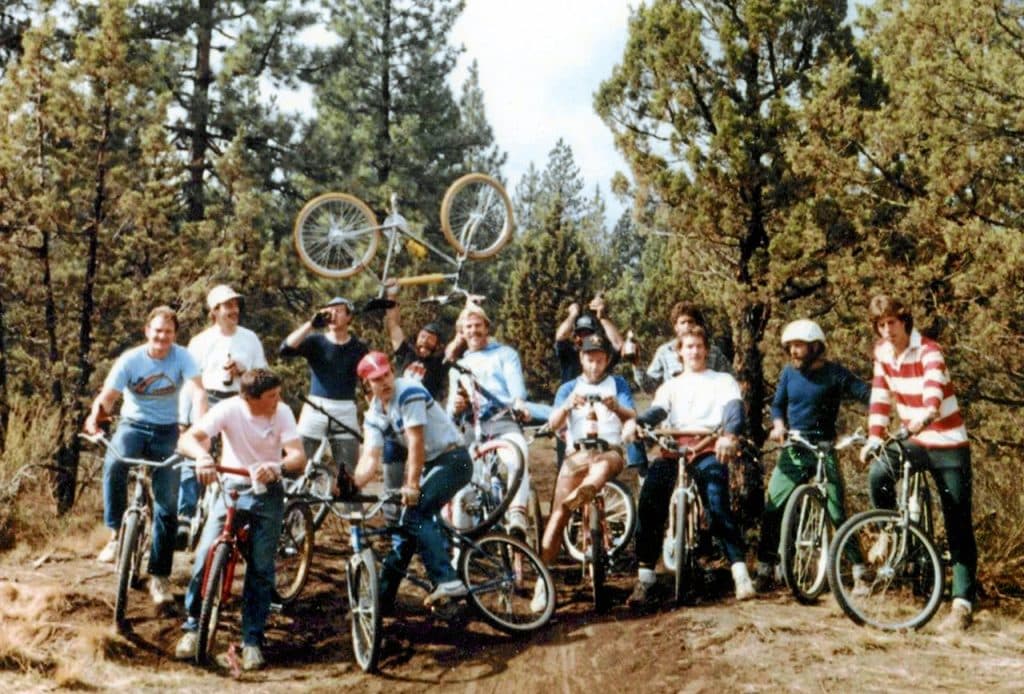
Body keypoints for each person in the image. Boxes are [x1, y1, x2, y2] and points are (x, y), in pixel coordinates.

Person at [173, 368, 305, 671]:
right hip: (231, 486)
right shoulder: (229, 408)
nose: (278, 399)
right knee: (206, 554)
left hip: (267, 491)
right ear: (250, 399)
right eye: (271, 396)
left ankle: (252, 640)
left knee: (260, 567)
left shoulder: (281, 412)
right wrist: (203, 457)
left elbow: (298, 455)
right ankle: (194, 627)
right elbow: (188, 439)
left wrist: (277, 467)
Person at [859, 294, 977, 631]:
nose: (887, 331)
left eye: (891, 323)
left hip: (948, 441)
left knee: (956, 516)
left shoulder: (928, 350)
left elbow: (934, 391)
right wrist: (874, 436)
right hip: (914, 438)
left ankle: (962, 602)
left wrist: (926, 413)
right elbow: (880, 396)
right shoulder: (882, 353)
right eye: (880, 326)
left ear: (904, 320)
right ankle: (886, 533)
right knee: (879, 471)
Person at [83, 306, 206, 607]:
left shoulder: (183, 357)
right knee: (115, 462)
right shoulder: (131, 359)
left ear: (175, 335)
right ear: (147, 331)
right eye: (157, 331)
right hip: (133, 425)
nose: (162, 337)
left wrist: (201, 429)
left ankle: (160, 577)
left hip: (168, 431)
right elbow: (108, 397)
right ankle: (115, 533)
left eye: (168, 332)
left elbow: (198, 392)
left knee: (167, 505)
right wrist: (95, 418)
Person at [625, 325, 754, 608]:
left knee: (718, 503)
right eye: (688, 346)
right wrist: (639, 424)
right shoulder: (670, 385)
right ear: (679, 352)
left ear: (706, 349)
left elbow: (733, 410)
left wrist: (729, 436)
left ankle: (740, 574)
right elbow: (658, 411)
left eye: (699, 346)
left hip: (707, 445)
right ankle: (645, 578)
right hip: (673, 448)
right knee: (649, 500)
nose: (694, 351)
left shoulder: (722, 380)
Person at [351, 351, 473, 612]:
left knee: (415, 514)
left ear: (392, 372)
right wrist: (353, 484)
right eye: (376, 379)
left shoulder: (409, 392)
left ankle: (448, 581)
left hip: (454, 459)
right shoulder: (374, 414)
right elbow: (371, 457)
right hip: (432, 464)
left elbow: (416, 442)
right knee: (405, 531)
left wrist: (412, 485)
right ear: (366, 384)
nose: (384, 382)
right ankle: (381, 600)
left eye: (386, 375)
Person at [754, 319, 870, 592]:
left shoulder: (834, 373)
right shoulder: (788, 374)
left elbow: (864, 392)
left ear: (816, 347)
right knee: (774, 504)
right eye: (790, 346)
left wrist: (882, 408)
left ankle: (860, 572)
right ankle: (764, 567)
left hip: (824, 449)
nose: (793, 351)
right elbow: (778, 406)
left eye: (799, 346)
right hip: (795, 447)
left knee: (836, 510)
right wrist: (779, 425)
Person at [534, 334, 635, 612]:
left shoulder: (618, 384)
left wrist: (618, 407)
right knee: (557, 516)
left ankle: (585, 491)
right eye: (590, 360)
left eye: (600, 360)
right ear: (581, 358)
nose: (594, 366)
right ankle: (542, 580)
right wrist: (568, 406)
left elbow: (632, 417)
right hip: (576, 454)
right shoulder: (568, 387)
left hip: (608, 450)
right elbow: (553, 424)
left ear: (607, 360)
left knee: (603, 465)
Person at [177, 284, 268, 537]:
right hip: (208, 400)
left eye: (236, 305)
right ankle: (185, 516)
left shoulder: (249, 338)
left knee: (243, 458)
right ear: (214, 311)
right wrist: (183, 419)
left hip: (241, 401)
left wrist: (244, 372)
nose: (234, 310)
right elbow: (190, 384)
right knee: (195, 454)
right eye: (228, 306)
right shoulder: (201, 341)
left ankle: (238, 519)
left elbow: (264, 375)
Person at [446, 303, 535, 536]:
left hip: (501, 420)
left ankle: (517, 514)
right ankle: (461, 545)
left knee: (518, 455)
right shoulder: (458, 367)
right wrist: (456, 407)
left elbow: (517, 391)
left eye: (478, 325)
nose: (473, 331)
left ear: (487, 327)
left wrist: (518, 404)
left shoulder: (505, 354)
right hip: (472, 428)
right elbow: (450, 412)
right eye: (468, 327)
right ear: (462, 332)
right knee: (462, 485)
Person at [279, 296, 368, 479]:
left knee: (347, 470)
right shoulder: (315, 342)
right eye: (329, 310)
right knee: (298, 461)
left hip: (345, 408)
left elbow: (367, 382)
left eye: (339, 310)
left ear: (349, 317)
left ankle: (349, 507)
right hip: (315, 406)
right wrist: (310, 324)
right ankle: (295, 505)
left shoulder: (358, 348)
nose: (333, 314)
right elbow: (285, 349)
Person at [633, 302, 732, 393]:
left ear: (697, 324)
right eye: (683, 322)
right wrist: (636, 364)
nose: (687, 326)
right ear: (676, 327)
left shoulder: (713, 351)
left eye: (690, 321)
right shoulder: (665, 352)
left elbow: (730, 381)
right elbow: (650, 387)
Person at [553, 294, 624, 384]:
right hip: (573, 396)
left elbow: (619, 345)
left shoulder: (602, 355)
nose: (585, 337)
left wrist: (602, 318)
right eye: (581, 333)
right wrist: (573, 314)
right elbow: (560, 336)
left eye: (588, 333)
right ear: (575, 336)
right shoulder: (570, 353)